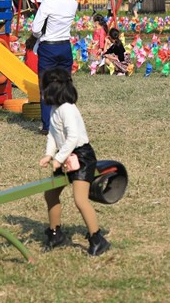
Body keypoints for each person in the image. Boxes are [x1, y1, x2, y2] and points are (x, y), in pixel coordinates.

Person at [38, 68, 110, 256]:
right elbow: (53, 134)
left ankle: (97, 238)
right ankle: (56, 233)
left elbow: (73, 137)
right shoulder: (55, 108)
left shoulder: (67, 109)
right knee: (50, 195)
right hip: (65, 156)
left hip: (81, 157)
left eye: (44, 88)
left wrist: (59, 158)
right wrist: (49, 155)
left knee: (80, 199)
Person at [32, 0, 78, 135]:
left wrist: (41, 35)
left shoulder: (48, 3)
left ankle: (48, 126)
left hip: (49, 48)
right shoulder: (73, 3)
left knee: (46, 87)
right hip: (65, 47)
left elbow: (35, 29)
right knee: (64, 86)